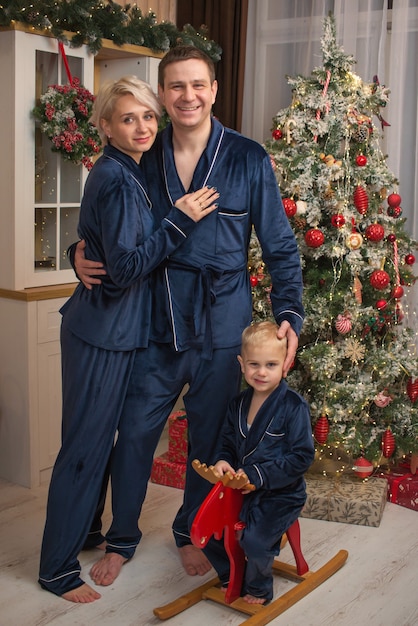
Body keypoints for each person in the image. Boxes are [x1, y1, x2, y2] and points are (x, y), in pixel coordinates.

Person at [73, 45, 305, 586]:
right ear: (163, 95)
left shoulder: (247, 158)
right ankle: (122, 538)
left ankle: (189, 531)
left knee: (209, 442)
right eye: (175, 87)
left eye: (197, 85)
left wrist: (288, 312)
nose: (187, 96)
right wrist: (77, 254)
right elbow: (108, 226)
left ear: (214, 90)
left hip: (225, 326)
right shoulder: (142, 158)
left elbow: (279, 247)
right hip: (155, 320)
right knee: (133, 434)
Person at [38, 75, 219, 603]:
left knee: (99, 444)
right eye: (127, 117)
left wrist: (81, 247)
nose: (141, 126)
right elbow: (123, 270)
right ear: (106, 126)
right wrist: (179, 221)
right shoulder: (117, 178)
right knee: (85, 449)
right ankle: (56, 569)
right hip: (101, 334)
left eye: (146, 115)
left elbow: (107, 242)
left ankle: (88, 533)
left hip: (119, 332)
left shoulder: (133, 167)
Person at [195, 321, 315, 605]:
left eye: (271, 364)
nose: (261, 372)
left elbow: (301, 457)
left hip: (280, 494)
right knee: (200, 527)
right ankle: (231, 573)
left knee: (255, 540)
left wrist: (257, 475)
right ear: (241, 363)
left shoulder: (293, 407)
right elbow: (226, 441)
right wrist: (223, 460)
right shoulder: (238, 404)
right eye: (254, 364)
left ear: (285, 363)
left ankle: (259, 587)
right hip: (240, 489)